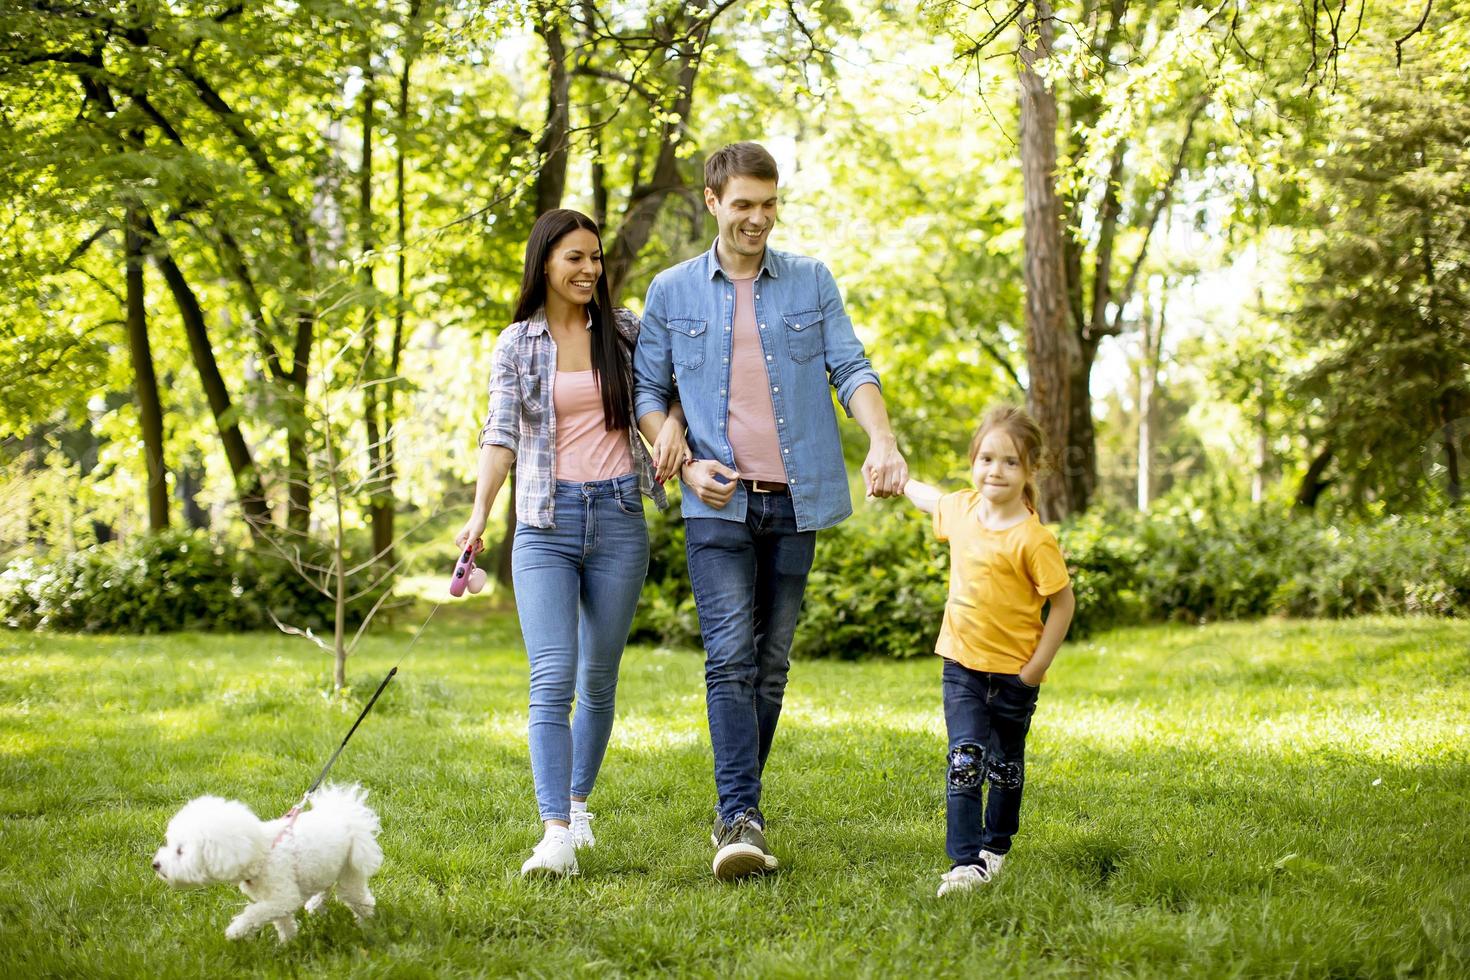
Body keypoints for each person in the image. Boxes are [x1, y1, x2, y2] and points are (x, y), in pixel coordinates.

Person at [633, 142, 908, 880]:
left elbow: (850, 366)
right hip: (714, 504)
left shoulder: (811, 281)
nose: (758, 218)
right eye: (744, 204)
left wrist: (882, 438)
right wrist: (686, 461)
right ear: (714, 201)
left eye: (769, 204)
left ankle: (738, 805)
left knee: (772, 665)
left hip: (796, 500)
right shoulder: (673, 290)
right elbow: (647, 396)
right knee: (729, 659)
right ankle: (739, 817)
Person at [457, 209, 688, 878]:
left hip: (618, 517)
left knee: (598, 678)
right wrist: (479, 516)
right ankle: (555, 831)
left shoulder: (624, 331)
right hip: (545, 527)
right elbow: (499, 434)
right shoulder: (518, 343)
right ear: (546, 264)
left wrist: (670, 424)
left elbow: (672, 393)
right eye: (574, 258)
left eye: (595, 258)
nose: (588, 269)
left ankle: (579, 803)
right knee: (551, 678)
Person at [901, 404, 1076, 897]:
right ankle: (963, 864)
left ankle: (995, 847)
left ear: (1029, 470)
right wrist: (894, 475)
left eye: (1010, 462)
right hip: (961, 667)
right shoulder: (963, 509)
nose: (995, 471)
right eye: (985, 459)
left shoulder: (1033, 539)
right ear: (973, 461)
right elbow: (928, 498)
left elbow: (1063, 605)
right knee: (966, 756)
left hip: (1014, 675)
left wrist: (1034, 673)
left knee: (1004, 764)